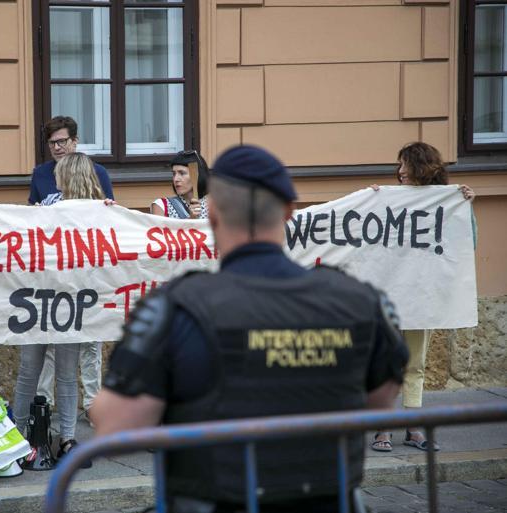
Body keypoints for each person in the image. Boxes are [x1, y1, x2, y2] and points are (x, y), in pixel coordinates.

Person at [91, 145, 410, 513]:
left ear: (211, 215)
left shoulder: (175, 308)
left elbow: (114, 424)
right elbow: (382, 403)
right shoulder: (360, 303)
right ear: (290, 212)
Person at [370, 142, 476, 453]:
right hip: (389, 296)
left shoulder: (447, 202)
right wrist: (369, 200)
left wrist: (466, 206)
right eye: (398, 165)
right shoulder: (388, 199)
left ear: (423, 167)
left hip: (421, 295)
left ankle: (413, 426)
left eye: (406, 165)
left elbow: (466, 242)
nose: (400, 171)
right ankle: (383, 427)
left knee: (415, 363)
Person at [13, 153, 108, 468]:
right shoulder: (52, 209)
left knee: (41, 371)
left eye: (59, 172)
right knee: (49, 371)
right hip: (53, 300)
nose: (53, 177)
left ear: (69, 176)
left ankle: (48, 437)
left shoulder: (99, 212)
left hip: (61, 301)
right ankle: (40, 437)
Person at [29, 116, 114, 424]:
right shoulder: (40, 174)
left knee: (92, 340)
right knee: (51, 338)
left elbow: (111, 223)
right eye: (52, 143)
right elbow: (30, 219)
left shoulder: (97, 172)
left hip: (90, 273)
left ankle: (93, 405)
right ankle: (44, 402)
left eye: (62, 141)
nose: (57, 147)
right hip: (54, 272)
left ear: (75, 141)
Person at [150, 150, 209, 219]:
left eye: (182, 173)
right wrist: (191, 218)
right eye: (174, 174)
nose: (176, 179)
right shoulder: (161, 205)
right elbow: (158, 229)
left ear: (197, 175)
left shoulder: (215, 207)